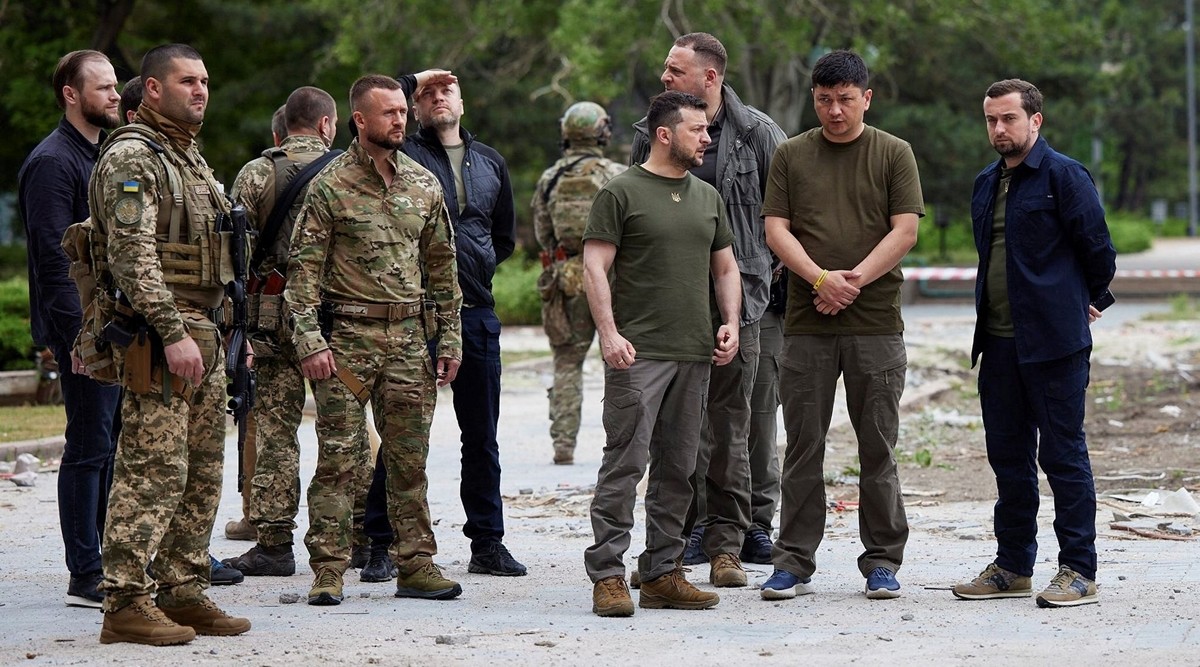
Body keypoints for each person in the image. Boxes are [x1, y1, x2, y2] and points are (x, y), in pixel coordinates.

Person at [92, 43, 251, 645]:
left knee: (202, 471)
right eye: (187, 81)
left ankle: (182, 588)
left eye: (205, 80)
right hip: (161, 338)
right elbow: (132, 258)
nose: (201, 90)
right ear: (153, 90)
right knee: (152, 468)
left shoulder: (191, 161)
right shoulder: (134, 158)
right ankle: (125, 602)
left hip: (206, 333)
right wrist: (172, 330)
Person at [285, 74, 463, 605]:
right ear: (358, 120)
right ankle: (329, 569)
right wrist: (310, 342)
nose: (400, 121)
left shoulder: (422, 184)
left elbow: (442, 269)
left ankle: (416, 564)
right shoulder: (329, 186)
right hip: (347, 340)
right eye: (388, 113)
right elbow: (302, 277)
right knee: (339, 458)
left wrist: (449, 338)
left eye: (403, 112)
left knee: (410, 458)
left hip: (409, 338)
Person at [761, 49, 923, 601]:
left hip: (875, 323)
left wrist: (850, 282)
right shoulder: (790, 154)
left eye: (846, 100)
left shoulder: (893, 153)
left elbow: (904, 232)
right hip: (806, 325)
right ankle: (793, 560)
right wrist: (818, 280)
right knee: (803, 445)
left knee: (877, 444)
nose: (835, 111)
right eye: (826, 100)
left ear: (866, 98)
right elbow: (776, 230)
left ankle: (881, 560)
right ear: (815, 99)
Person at [951, 79, 1115, 609]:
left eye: (1009, 119)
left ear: (1035, 121)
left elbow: (1099, 252)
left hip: (1054, 346)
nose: (999, 129)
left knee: (1063, 456)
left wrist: (1085, 299)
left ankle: (1078, 571)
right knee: (1008, 459)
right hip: (997, 345)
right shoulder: (985, 183)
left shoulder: (1064, 177)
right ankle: (1013, 566)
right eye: (991, 120)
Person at [630, 32, 786, 581]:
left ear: (710, 77)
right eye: (666, 69)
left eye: (676, 70)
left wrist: (764, 288)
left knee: (741, 424)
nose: (665, 77)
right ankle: (694, 528)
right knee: (679, 426)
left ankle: (744, 528)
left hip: (744, 305)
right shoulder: (650, 134)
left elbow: (785, 219)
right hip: (672, 306)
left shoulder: (759, 134)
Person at [360, 70, 526, 578]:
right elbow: (368, 109)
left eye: (445, 91)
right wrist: (412, 78)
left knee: (482, 436)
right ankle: (380, 544)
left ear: (462, 101)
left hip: (476, 314)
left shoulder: (491, 161)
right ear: (414, 105)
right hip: (415, 316)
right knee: (403, 436)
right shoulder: (401, 152)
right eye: (426, 95)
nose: (437, 99)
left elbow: (503, 238)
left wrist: (471, 273)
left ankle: (488, 544)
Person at [584, 90, 741, 617]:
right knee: (625, 463)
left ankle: (661, 572)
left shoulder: (706, 196)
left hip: (694, 352)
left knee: (679, 468)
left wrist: (731, 324)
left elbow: (725, 268)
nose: (707, 138)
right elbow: (594, 268)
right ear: (665, 134)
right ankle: (607, 573)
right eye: (698, 130)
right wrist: (608, 333)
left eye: (708, 129)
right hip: (638, 355)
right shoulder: (621, 192)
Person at [220, 86, 341, 577]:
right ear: (327, 124)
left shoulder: (256, 172)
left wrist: (238, 325)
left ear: (284, 124)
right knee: (342, 430)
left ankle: (273, 544)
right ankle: (348, 537)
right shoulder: (344, 170)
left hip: (271, 319)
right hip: (335, 317)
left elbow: (232, 255)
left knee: (275, 430)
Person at [18, 49, 122, 610]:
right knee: (87, 443)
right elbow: (55, 262)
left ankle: (106, 555)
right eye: (102, 88)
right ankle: (85, 573)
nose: (113, 96)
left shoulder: (100, 152)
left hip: (108, 324)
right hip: (81, 328)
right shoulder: (53, 162)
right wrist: (83, 337)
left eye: (114, 87)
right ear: (71, 95)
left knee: (107, 442)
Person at [532, 101, 625, 466]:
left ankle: (563, 446)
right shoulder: (616, 173)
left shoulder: (551, 177)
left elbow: (543, 232)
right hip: (610, 278)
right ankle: (619, 443)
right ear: (601, 131)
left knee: (567, 363)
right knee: (617, 360)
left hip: (565, 279)